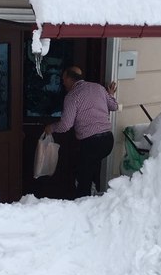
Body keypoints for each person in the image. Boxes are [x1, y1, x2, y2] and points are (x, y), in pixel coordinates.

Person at [45, 66, 118, 198]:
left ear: (69, 78)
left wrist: (52, 128)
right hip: (108, 140)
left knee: (83, 178)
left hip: (92, 142)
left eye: (63, 79)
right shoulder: (98, 88)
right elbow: (114, 106)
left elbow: (66, 125)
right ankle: (95, 198)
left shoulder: (72, 96)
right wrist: (110, 94)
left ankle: (84, 205)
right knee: (93, 169)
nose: (62, 82)